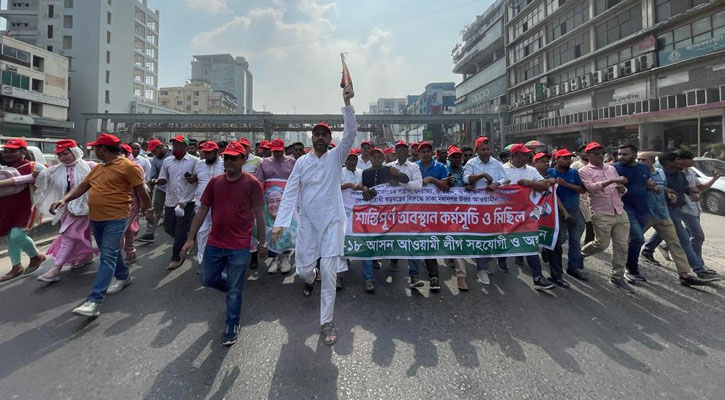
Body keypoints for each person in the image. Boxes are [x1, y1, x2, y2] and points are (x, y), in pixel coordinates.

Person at [270, 87, 355, 346]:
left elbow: (350, 133)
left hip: (331, 222)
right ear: (311, 137)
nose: (320, 137)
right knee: (305, 269)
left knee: (328, 273)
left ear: (330, 138)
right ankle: (310, 276)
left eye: (324, 134)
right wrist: (281, 223)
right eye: (316, 133)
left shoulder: (336, 156)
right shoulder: (302, 163)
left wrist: (347, 101)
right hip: (308, 223)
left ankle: (326, 321)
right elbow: (290, 192)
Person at [50, 133, 152, 317]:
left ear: (103, 149)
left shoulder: (129, 167)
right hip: (96, 219)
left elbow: (141, 190)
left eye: (96, 147)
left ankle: (94, 301)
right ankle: (123, 276)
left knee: (106, 256)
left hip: (116, 218)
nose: (94, 150)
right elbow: (82, 186)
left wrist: (148, 209)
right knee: (110, 251)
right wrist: (63, 200)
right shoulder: (98, 168)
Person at [181, 141, 267, 346]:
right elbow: (202, 210)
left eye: (233, 158)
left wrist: (262, 242)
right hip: (215, 242)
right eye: (226, 157)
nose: (228, 161)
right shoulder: (215, 182)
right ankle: (233, 288)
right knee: (206, 279)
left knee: (235, 290)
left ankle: (232, 324)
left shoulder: (252, 183)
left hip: (239, 245)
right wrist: (190, 238)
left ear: (243, 160)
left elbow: (259, 215)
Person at [635, 151, 713, 286]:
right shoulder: (640, 174)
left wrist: (688, 192)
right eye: (677, 160)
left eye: (643, 159)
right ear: (669, 162)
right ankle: (628, 264)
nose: (680, 162)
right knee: (635, 239)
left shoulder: (667, 174)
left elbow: (674, 188)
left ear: (653, 161)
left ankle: (688, 273)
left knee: (677, 241)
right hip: (648, 213)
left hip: (666, 212)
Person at [578, 142, 633, 293]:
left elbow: (620, 190)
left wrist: (622, 188)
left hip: (619, 210)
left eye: (602, 152)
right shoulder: (584, 171)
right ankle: (580, 254)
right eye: (596, 153)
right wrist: (613, 181)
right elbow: (591, 188)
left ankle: (617, 277)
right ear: (587, 155)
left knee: (622, 246)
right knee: (601, 244)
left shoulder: (611, 168)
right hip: (601, 212)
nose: (600, 155)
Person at [502, 144, 556, 290]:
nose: (526, 157)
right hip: (506, 214)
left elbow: (544, 186)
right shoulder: (502, 169)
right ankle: (501, 258)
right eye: (522, 155)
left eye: (527, 155)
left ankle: (538, 277)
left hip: (527, 214)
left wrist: (529, 183)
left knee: (530, 242)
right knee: (503, 239)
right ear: (513, 156)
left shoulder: (531, 170)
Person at [360, 148, 410, 293]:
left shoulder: (389, 170)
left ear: (383, 158)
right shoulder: (366, 173)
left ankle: (393, 260)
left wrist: (397, 175)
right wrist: (364, 188)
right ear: (370, 159)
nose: (376, 159)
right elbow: (363, 187)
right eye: (374, 157)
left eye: (379, 157)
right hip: (372, 213)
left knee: (390, 239)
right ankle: (368, 278)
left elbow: (406, 180)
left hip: (389, 213)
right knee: (368, 243)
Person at [463, 136, 509, 285]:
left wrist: (496, 183)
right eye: (483, 149)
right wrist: (481, 176)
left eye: (488, 149)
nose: (486, 152)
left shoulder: (496, 163)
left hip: (494, 206)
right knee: (481, 236)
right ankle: (481, 269)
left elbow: (505, 179)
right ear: (477, 150)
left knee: (492, 235)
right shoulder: (471, 163)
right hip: (477, 207)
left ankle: (486, 262)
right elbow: (465, 179)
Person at [0, 138, 47, 282]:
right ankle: (16, 266)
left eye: (13, 151)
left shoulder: (34, 166)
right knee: (10, 237)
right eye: (6, 152)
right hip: (6, 207)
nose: (8, 154)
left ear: (23, 151)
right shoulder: (4, 169)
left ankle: (36, 256)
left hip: (27, 207)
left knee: (16, 236)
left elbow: (47, 178)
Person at [152, 135, 198, 270]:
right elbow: (163, 178)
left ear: (185, 147)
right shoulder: (167, 161)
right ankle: (188, 239)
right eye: (174, 145)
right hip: (171, 200)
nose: (175, 148)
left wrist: (193, 179)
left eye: (178, 145)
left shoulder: (195, 161)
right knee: (169, 227)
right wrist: (156, 181)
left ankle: (176, 257)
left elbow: (198, 178)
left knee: (180, 229)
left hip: (187, 201)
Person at [613, 143, 654, 283]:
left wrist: (653, 186)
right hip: (625, 209)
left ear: (634, 155)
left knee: (635, 240)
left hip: (642, 209)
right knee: (638, 238)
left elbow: (645, 183)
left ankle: (630, 266)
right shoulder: (614, 169)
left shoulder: (643, 168)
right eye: (619, 154)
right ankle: (630, 269)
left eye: (625, 154)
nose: (621, 157)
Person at [546, 149, 587, 282]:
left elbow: (582, 189)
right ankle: (548, 251)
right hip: (557, 212)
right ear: (557, 160)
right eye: (564, 158)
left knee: (575, 241)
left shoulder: (574, 173)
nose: (568, 160)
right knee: (560, 240)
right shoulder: (550, 172)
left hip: (574, 210)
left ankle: (573, 267)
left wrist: (566, 184)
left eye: (569, 158)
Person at [413, 141, 450, 291]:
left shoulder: (440, 167)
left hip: (434, 212)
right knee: (413, 242)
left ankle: (434, 277)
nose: (426, 154)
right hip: (414, 211)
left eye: (428, 151)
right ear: (419, 154)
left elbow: (446, 187)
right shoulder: (414, 166)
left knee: (430, 242)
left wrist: (431, 180)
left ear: (432, 153)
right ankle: (414, 276)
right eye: (423, 151)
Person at [256, 138, 296, 274]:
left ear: (284, 150)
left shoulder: (292, 162)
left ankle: (286, 257)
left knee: (287, 227)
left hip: (287, 199)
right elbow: (259, 180)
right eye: (275, 152)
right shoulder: (265, 163)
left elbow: (297, 178)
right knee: (271, 228)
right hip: (270, 200)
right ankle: (274, 259)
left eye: (280, 152)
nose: (277, 154)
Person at [386, 140, 423, 276]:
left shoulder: (414, 167)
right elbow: (383, 185)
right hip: (392, 209)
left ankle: (414, 274)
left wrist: (401, 181)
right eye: (398, 149)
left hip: (410, 210)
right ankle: (394, 260)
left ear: (407, 152)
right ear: (395, 151)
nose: (401, 152)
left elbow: (418, 185)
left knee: (412, 239)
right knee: (393, 237)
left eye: (404, 149)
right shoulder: (388, 166)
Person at [185, 141, 224, 264]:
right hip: (201, 202)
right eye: (204, 152)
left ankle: (220, 260)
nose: (206, 155)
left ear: (216, 152)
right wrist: (191, 179)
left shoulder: (225, 164)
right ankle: (203, 261)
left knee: (219, 230)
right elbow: (196, 178)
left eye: (209, 153)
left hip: (220, 203)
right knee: (202, 231)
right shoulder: (199, 164)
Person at [445, 145, 469, 291]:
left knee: (458, 239)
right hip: (444, 211)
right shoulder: (444, 170)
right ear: (449, 158)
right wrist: (447, 183)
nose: (457, 159)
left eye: (459, 156)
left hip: (463, 211)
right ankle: (460, 275)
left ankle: (461, 275)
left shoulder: (466, 170)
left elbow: (471, 183)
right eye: (454, 156)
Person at [137, 138, 170, 243]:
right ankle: (150, 232)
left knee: (174, 213)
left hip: (175, 189)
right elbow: (153, 175)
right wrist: (150, 187)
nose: (153, 154)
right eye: (151, 152)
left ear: (161, 147)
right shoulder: (155, 160)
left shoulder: (174, 155)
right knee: (155, 209)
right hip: (161, 188)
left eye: (154, 151)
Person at [120, 144, 145, 264]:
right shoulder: (107, 166)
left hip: (131, 203)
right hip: (114, 205)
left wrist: (145, 205)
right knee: (127, 229)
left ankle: (115, 258)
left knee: (119, 231)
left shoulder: (134, 167)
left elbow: (141, 188)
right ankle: (130, 251)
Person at [571, 144, 595, 244]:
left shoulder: (593, 165)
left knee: (591, 220)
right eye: (584, 152)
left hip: (592, 196)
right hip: (580, 197)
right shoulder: (575, 165)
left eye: (588, 152)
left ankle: (589, 242)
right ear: (579, 154)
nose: (586, 154)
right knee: (583, 221)